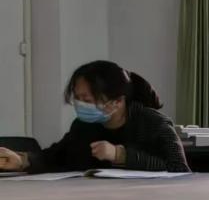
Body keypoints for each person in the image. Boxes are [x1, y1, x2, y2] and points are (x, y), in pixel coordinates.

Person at [0, 60, 190, 173]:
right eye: (77, 98)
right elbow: (57, 156)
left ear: (117, 101)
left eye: (87, 99)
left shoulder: (153, 123)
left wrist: (120, 155)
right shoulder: (83, 125)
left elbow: (179, 168)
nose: (80, 104)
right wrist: (22, 160)